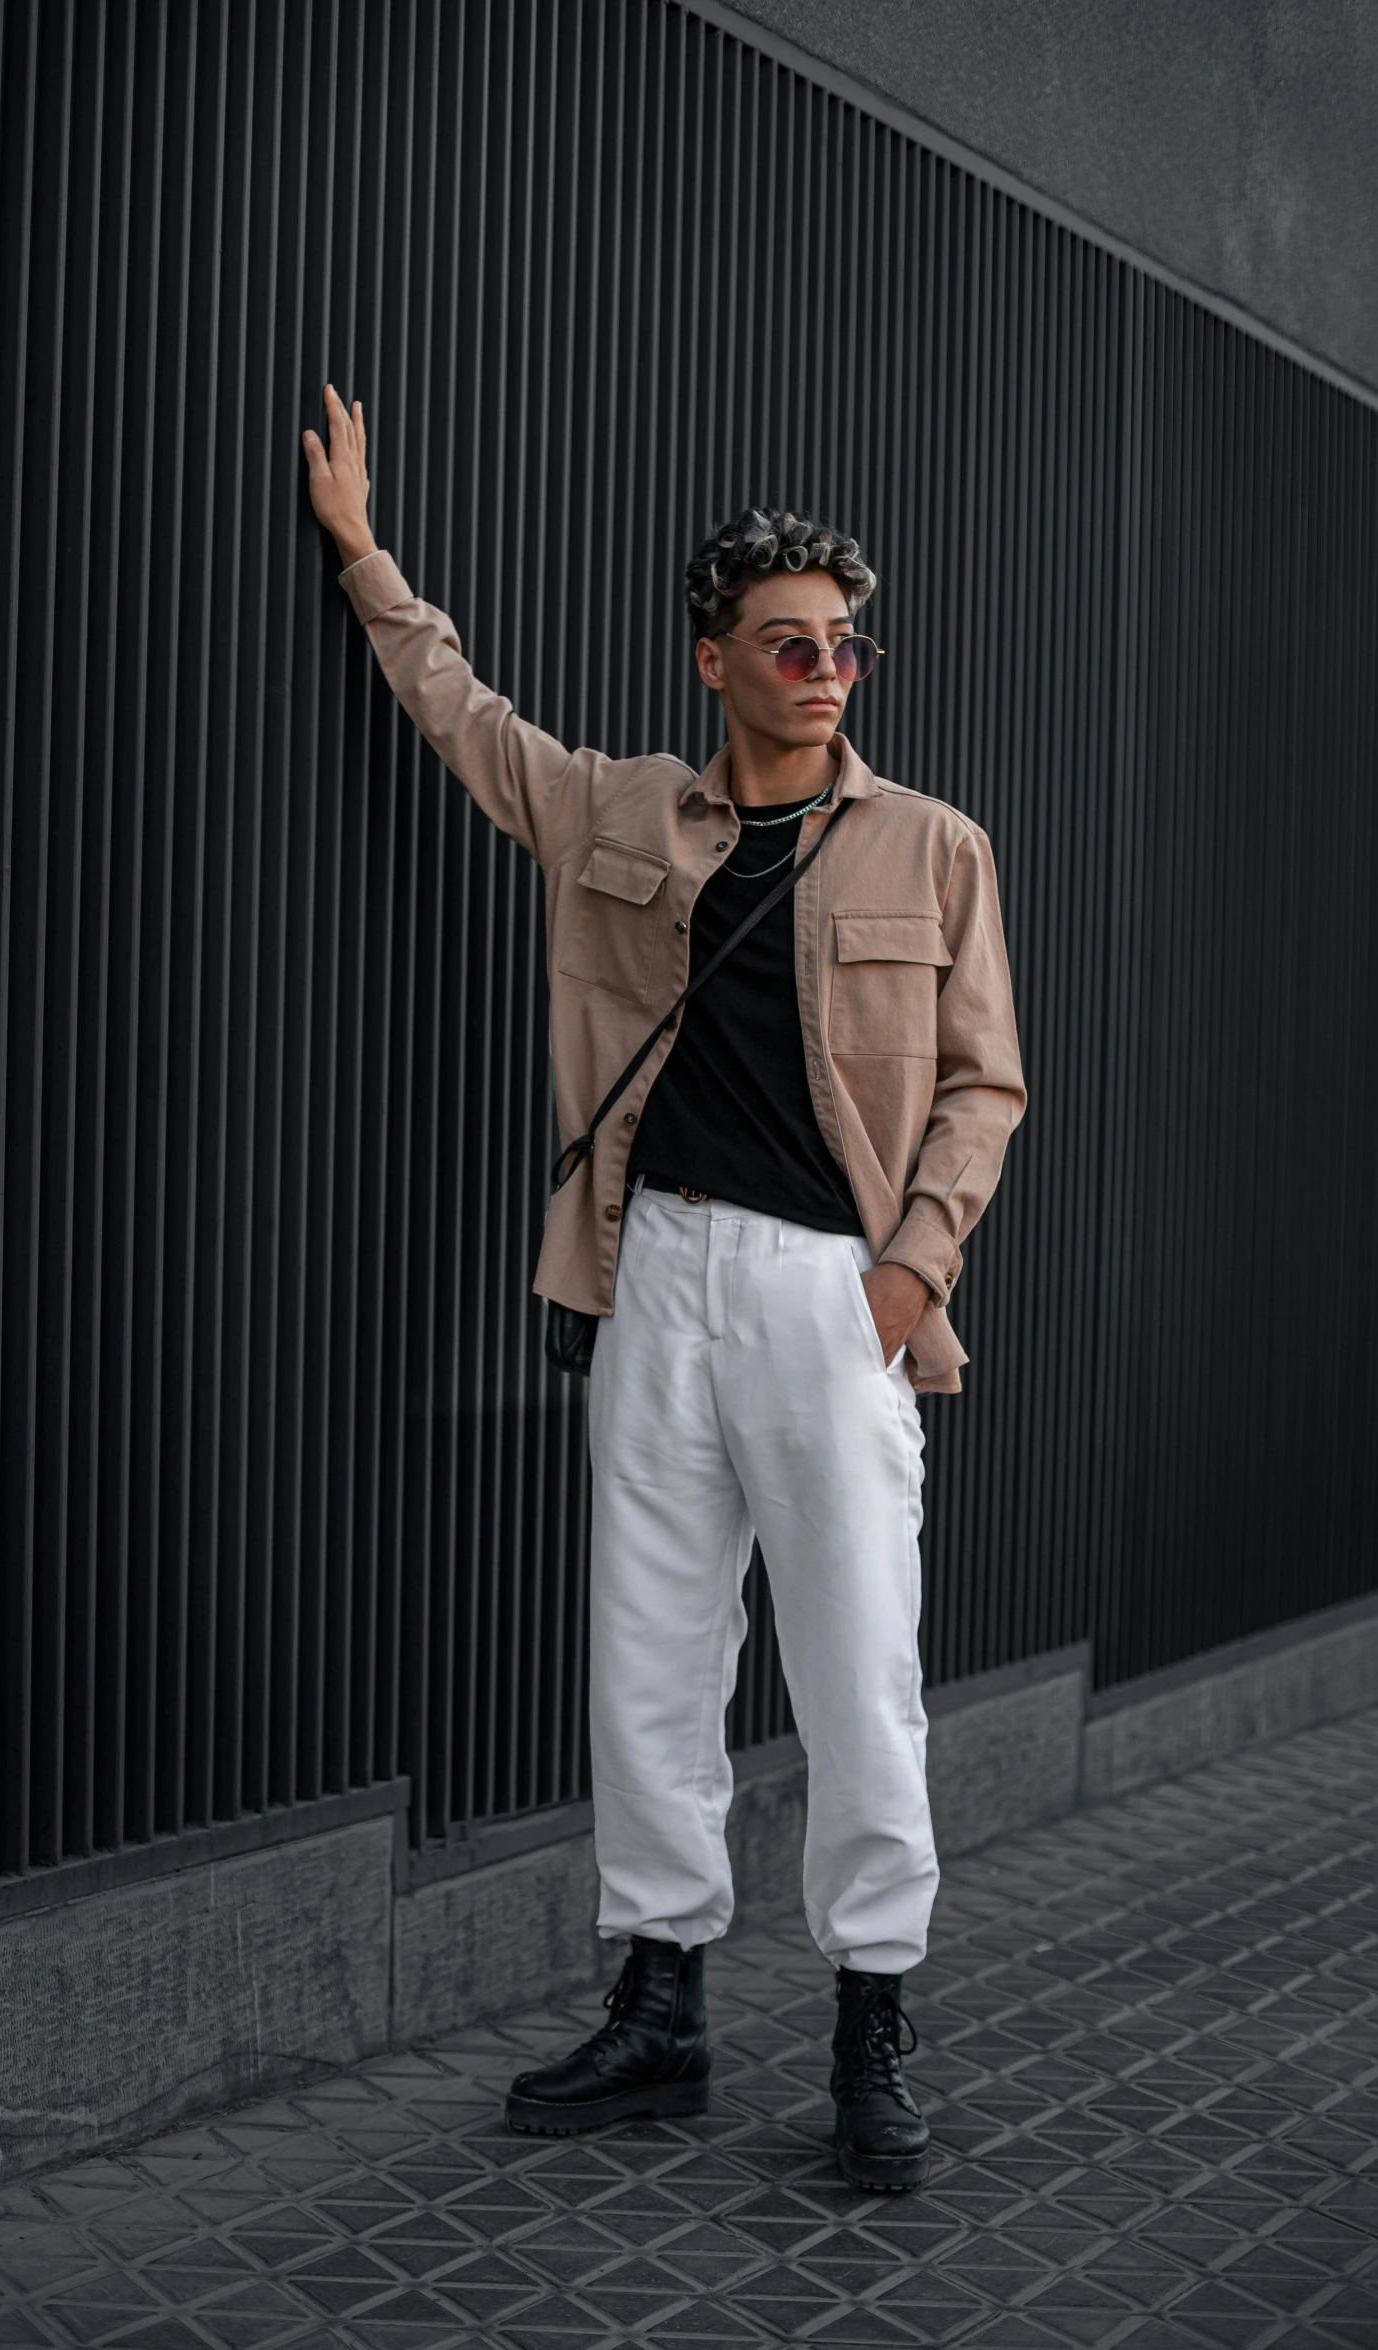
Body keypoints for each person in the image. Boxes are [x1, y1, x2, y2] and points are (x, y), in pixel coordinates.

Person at [303, 385, 1026, 2192]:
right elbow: (463, 719)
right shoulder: (624, 808)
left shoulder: (932, 844)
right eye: (785, 639)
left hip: (823, 1296)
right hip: (656, 1274)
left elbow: (982, 1080)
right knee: (648, 1649)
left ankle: (871, 2014)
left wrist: (908, 1271)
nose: (822, 664)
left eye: (842, 640)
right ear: (713, 657)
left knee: (857, 1664)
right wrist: (365, 553)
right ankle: (661, 2002)